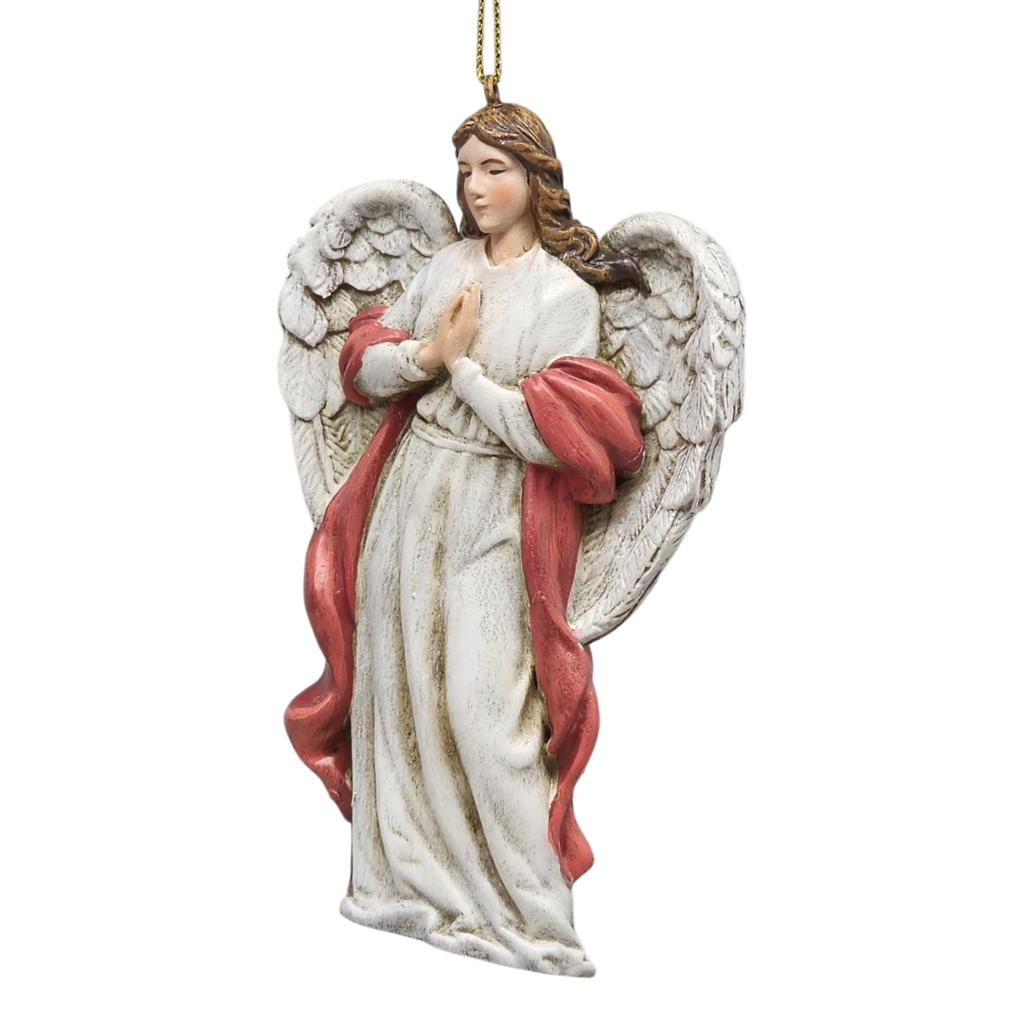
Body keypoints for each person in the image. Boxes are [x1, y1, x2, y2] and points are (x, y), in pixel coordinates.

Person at [283, 99, 646, 980]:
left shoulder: (563, 295)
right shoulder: (446, 264)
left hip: (494, 508)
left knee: (487, 708)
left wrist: (463, 369)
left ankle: (537, 921)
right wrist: (420, 358)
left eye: (495, 168)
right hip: (411, 496)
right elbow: (364, 370)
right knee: (400, 685)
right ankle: (398, 886)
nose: (475, 187)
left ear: (536, 176)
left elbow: (555, 434)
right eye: (466, 171)